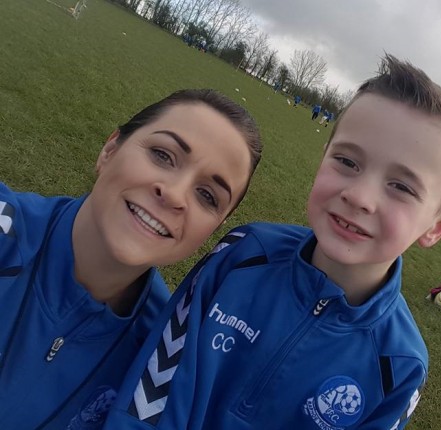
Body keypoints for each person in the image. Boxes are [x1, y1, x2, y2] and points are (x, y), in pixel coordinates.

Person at [102, 54, 441, 429]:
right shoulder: (245, 251)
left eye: (401, 186)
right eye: (347, 161)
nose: (360, 196)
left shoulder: (400, 365)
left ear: (437, 227)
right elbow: (157, 380)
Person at [0, 89, 262, 429]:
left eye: (207, 196)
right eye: (163, 155)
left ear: (212, 229)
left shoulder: (160, 353)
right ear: (110, 150)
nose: (173, 194)